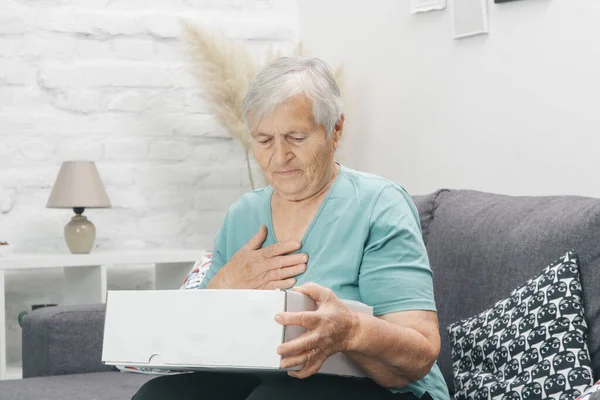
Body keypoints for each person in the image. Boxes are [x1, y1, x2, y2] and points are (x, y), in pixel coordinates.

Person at [132, 57, 450, 400]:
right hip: (268, 378)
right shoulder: (244, 214)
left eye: (296, 137)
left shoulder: (379, 205)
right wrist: (222, 288)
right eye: (264, 140)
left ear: (336, 130)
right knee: (159, 395)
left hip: (382, 390)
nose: (279, 156)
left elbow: (420, 352)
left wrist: (351, 331)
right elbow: (199, 344)